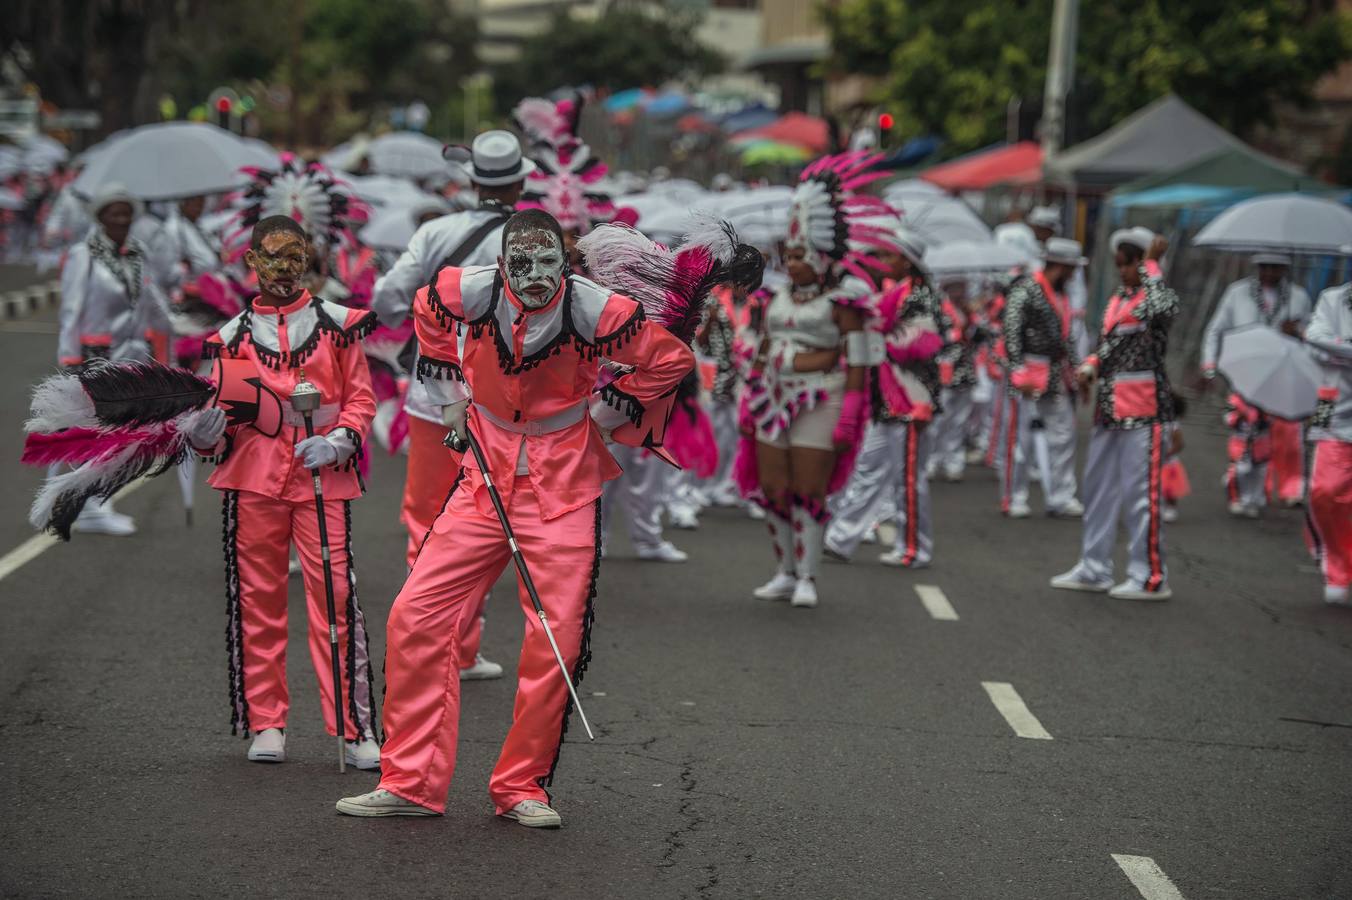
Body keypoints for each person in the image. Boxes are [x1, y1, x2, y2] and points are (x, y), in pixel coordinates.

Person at [336, 209, 698, 825]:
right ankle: (410, 782)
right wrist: (450, 400)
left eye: (549, 262)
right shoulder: (467, 290)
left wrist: (603, 419)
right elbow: (425, 312)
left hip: (563, 484)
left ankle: (521, 786)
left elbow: (670, 360)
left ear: (567, 261)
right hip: (483, 473)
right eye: (521, 264)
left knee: (556, 637)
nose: (535, 276)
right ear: (502, 264)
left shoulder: (595, 308)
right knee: (416, 614)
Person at [188, 214, 381, 766]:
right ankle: (265, 720)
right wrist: (205, 430)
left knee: (336, 599)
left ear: (309, 260)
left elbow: (361, 398)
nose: (283, 267)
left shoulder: (339, 325)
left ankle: (354, 725)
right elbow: (220, 417)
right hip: (253, 478)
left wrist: (342, 438)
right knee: (257, 599)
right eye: (271, 256)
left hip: (323, 476)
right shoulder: (230, 338)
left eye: (294, 256)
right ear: (250, 261)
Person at [371, 130, 534, 681]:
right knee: (492, 523)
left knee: (428, 520)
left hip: (433, 397)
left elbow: (388, 300)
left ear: (473, 182)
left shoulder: (437, 232)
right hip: (509, 404)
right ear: (520, 182)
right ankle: (462, 648)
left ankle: (427, 645)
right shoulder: (538, 241)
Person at [743, 154, 884, 607]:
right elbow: (764, 345)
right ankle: (784, 570)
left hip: (821, 398)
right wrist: (751, 390)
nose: (792, 260)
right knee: (772, 489)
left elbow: (860, 361)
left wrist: (852, 414)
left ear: (822, 257)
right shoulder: (776, 296)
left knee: (808, 490)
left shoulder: (846, 300)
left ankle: (809, 575)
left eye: (801, 253)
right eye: (789, 251)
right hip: (772, 396)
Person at [1052, 227, 1178, 601]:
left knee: (1141, 496)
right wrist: (1091, 364)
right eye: (1120, 264)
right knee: (1098, 491)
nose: (1123, 271)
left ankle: (1150, 577)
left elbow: (1162, 308)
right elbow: (1109, 347)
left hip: (1145, 410)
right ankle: (1094, 567)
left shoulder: (1157, 296)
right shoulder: (1117, 300)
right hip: (1110, 408)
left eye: (1130, 264)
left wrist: (1153, 267)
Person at [824, 227, 943, 569]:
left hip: (910, 401)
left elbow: (920, 344)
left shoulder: (922, 296)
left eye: (890, 256)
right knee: (868, 467)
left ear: (907, 262)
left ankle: (915, 549)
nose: (883, 262)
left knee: (908, 479)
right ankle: (841, 538)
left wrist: (873, 332)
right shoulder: (896, 293)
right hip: (886, 401)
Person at [56, 183, 171, 536]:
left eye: (127, 212)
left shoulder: (138, 253)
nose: (121, 218)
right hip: (95, 355)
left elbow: (152, 302)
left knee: (121, 433)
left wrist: (170, 339)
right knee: (96, 430)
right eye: (114, 212)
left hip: (132, 354)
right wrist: (69, 359)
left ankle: (85, 500)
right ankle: (90, 506)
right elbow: (70, 311)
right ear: (101, 216)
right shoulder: (83, 254)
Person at [1201, 253, 1313, 516]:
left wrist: (1297, 333)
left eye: (1277, 268)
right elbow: (1216, 330)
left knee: (1288, 437)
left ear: (1285, 269)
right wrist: (1209, 366)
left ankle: (1286, 489)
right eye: (1266, 267)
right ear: (1258, 267)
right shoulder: (1237, 293)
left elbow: (1314, 337)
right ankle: (1238, 489)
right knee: (1245, 439)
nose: (1271, 273)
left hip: (1284, 377)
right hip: (1245, 376)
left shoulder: (1299, 297)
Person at [998, 237, 1085, 519]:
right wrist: (1017, 368)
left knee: (1063, 434)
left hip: (1055, 371)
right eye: (1071, 268)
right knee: (1021, 438)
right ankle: (1015, 496)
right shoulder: (1026, 289)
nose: (1074, 274)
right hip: (1029, 368)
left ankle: (1061, 496)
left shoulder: (1062, 295)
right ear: (1060, 266)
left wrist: (1078, 368)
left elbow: (1066, 337)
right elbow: (1011, 329)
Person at [1301, 278, 1352, 605]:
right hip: (1332, 409)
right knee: (1322, 492)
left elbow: (1324, 345)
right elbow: (1313, 340)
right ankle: (1336, 562)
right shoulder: (1332, 299)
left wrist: (1337, 348)